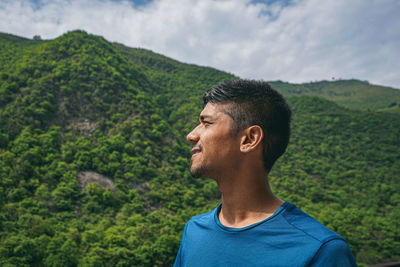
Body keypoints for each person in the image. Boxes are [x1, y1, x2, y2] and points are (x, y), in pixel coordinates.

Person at [174, 79, 357, 267]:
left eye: (206, 123)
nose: (191, 135)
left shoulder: (321, 250)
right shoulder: (194, 231)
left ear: (249, 139)